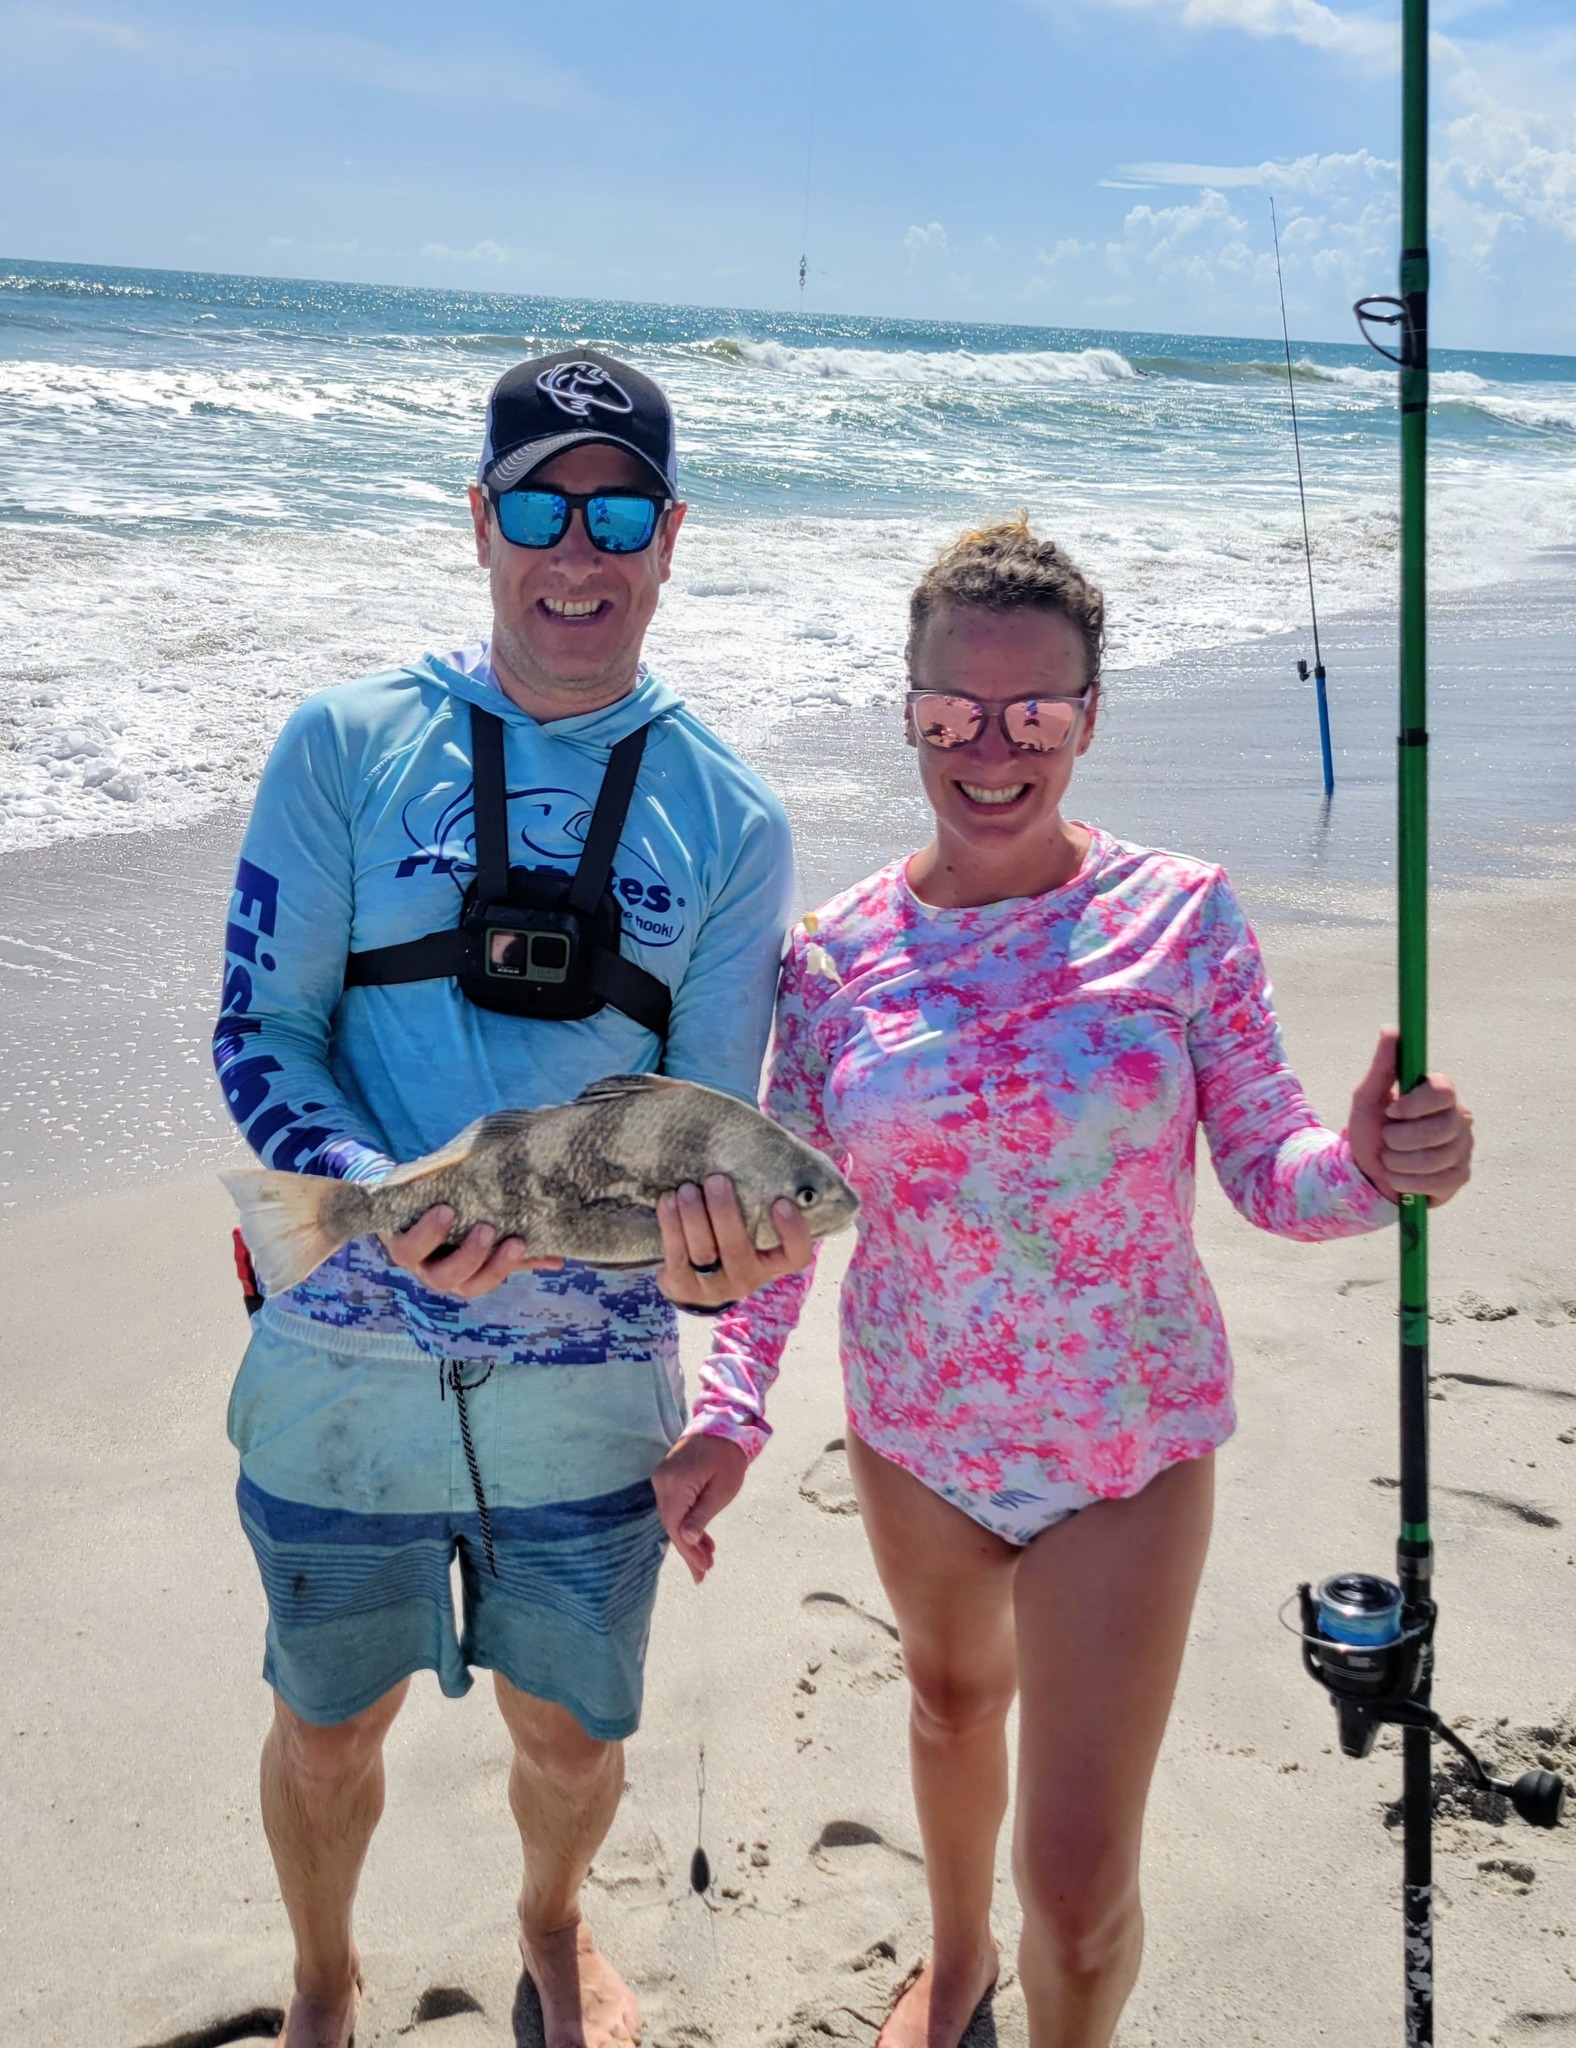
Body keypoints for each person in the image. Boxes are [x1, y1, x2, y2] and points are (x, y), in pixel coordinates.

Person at [674, 517, 1475, 2048]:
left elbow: (1275, 1172)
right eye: (953, 712)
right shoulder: (830, 958)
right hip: (915, 1441)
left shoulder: (1184, 915)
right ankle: (953, 1961)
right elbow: (781, 1221)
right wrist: (730, 1411)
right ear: (906, 712)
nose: (992, 750)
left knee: (1082, 1890)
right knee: (951, 1709)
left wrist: (1381, 1166)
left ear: (1090, 718)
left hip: (1129, 1452)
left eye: (1034, 714)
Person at [214, 349, 810, 2048]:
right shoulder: (341, 746)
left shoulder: (735, 819)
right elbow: (261, 1030)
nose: (578, 551)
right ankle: (322, 1975)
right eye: (543, 507)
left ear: (671, 537)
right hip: (340, 1369)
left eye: (619, 513)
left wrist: (715, 1281)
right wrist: (372, 1195)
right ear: (480, 521)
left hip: (590, 1400)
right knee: (327, 1724)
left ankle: (552, 1917)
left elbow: (701, 1139)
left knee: (570, 1735)